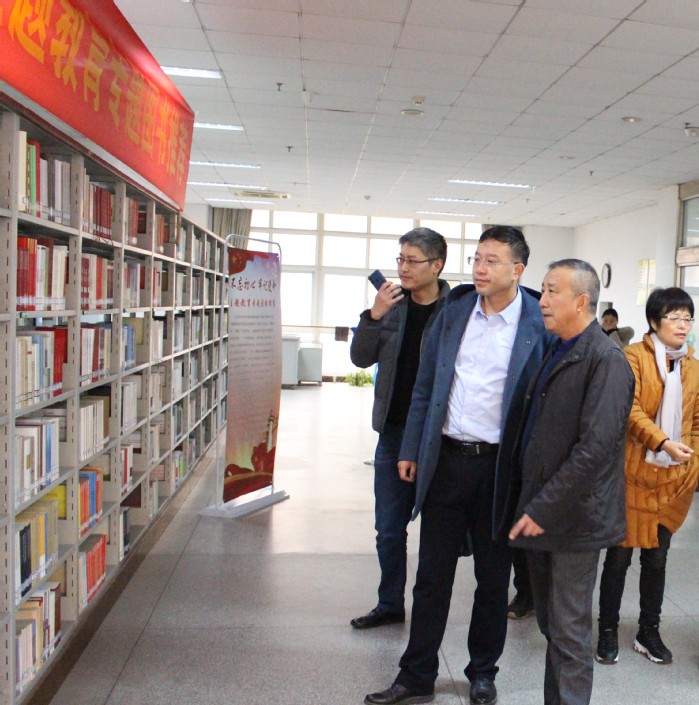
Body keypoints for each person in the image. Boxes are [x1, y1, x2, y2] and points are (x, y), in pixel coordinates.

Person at [364, 225, 550, 705]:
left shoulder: (537, 321)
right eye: (477, 259)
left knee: (492, 579)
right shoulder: (455, 311)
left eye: (492, 261)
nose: (480, 269)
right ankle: (416, 674)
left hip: (499, 471)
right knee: (432, 578)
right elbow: (426, 384)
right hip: (446, 462)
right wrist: (410, 448)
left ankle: (483, 671)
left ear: (518, 269)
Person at [509, 259, 634, 705]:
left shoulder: (606, 360)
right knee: (553, 627)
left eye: (551, 291)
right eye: (542, 290)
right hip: (545, 512)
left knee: (569, 633)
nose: (541, 300)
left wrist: (541, 508)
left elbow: (595, 449)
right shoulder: (557, 348)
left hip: (575, 520)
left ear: (581, 301)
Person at [350, 227, 449, 629]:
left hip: (440, 438)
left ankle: (429, 612)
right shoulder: (390, 305)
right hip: (393, 433)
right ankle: (390, 603)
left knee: (440, 534)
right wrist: (373, 315)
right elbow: (360, 358)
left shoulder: (457, 311)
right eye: (400, 259)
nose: (403, 268)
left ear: (437, 265)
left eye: (412, 261)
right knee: (389, 530)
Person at [596, 287, 699, 666]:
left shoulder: (693, 366)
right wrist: (663, 442)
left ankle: (648, 631)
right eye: (674, 317)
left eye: (687, 318)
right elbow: (630, 410)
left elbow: (697, 421)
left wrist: (692, 462)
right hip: (632, 476)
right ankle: (607, 629)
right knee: (619, 559)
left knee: (657, 560)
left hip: (672, 482)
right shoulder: (632, 358)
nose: (682, 325)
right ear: (654, 321)